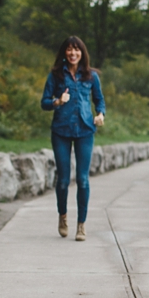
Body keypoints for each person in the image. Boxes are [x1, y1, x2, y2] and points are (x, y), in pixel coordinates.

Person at [41, 36, 106, 241]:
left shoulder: (91, 76)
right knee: (63, 180)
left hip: (85, 130)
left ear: (82, 53)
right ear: (64, 52)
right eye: (69, 49)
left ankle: (81, 225)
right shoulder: (56, 76)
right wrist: (57, 101)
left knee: (83, 180)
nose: (73, 53)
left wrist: (101, 114)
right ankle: (63, 216)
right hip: (61, 130)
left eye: (76, 49)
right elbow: (44, 102)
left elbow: (99, 100)